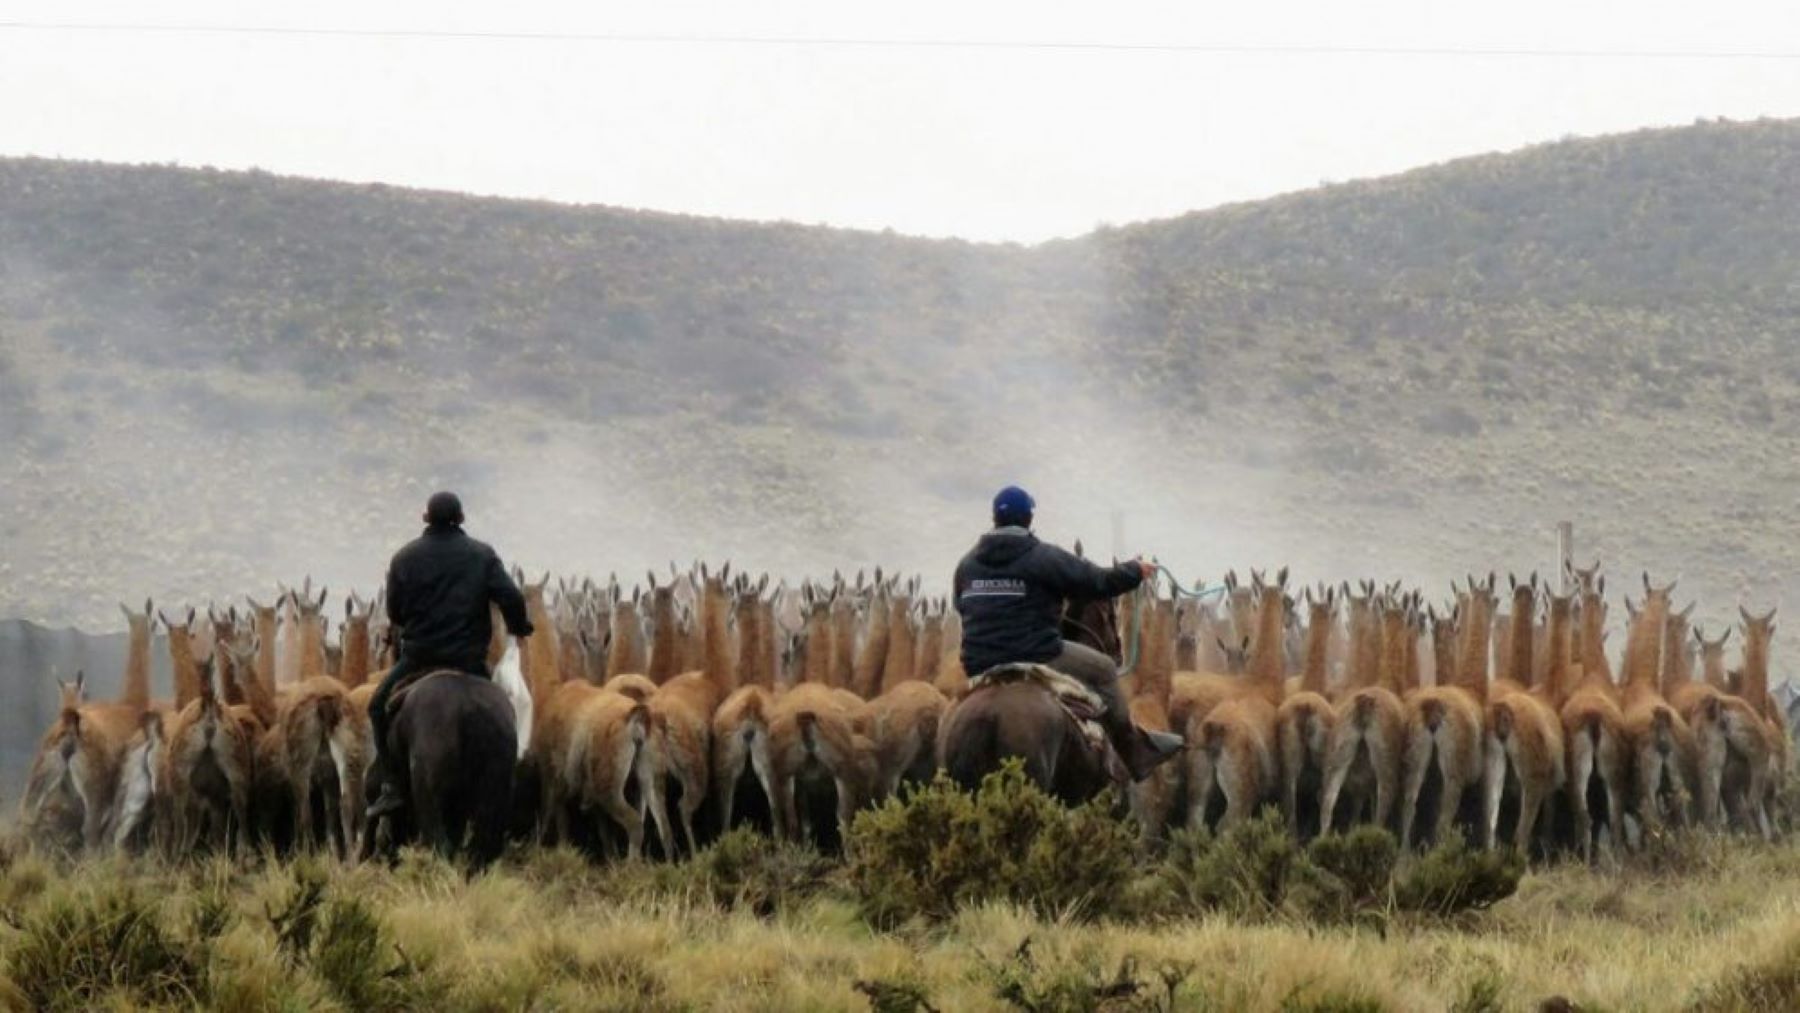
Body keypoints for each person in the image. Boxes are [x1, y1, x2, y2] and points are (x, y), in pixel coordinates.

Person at [953, 485, 1183, 781]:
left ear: (993, 519)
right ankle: (1134, 752)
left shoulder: (967, 564)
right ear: (1029, 518)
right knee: (1103, 669)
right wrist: (1136, 571)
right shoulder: (1043, 557)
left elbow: (961, 606)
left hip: (980, 662)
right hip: (1038, 653)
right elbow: (1098, 582)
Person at [366, 491, 534, 820]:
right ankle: (511, 781)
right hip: (469, 661)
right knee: (508, 707)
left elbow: (396, 613)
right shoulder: (483, 555)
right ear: (462, 518)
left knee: (376, 708)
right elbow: (512, 597)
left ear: (425, 518)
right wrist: (519, 627)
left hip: (418, 659)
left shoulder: (404, 558)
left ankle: (392, 786)